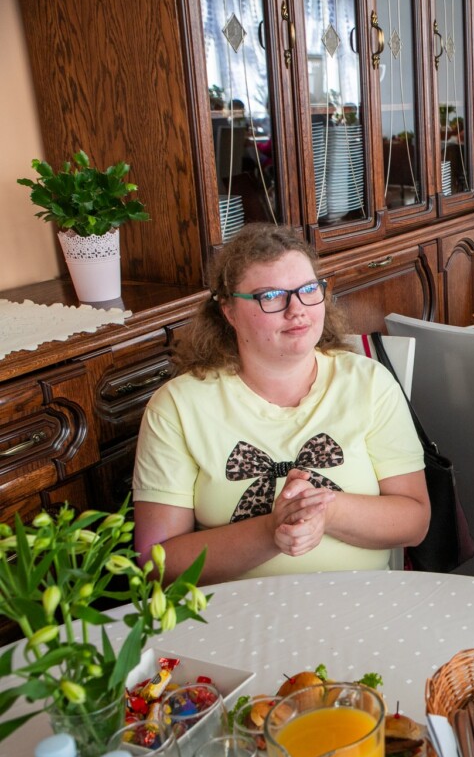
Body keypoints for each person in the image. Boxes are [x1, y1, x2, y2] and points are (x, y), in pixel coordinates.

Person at [132, 224, 430, 583]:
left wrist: (325, 511)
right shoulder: (178, 406)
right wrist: (271, 530)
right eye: (271, 296)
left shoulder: (369, 382)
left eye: (308, 290)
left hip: (360, 599)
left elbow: (415, 522)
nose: (297, 309)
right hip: (234, 610)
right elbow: (156, 563)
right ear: (228, 311)